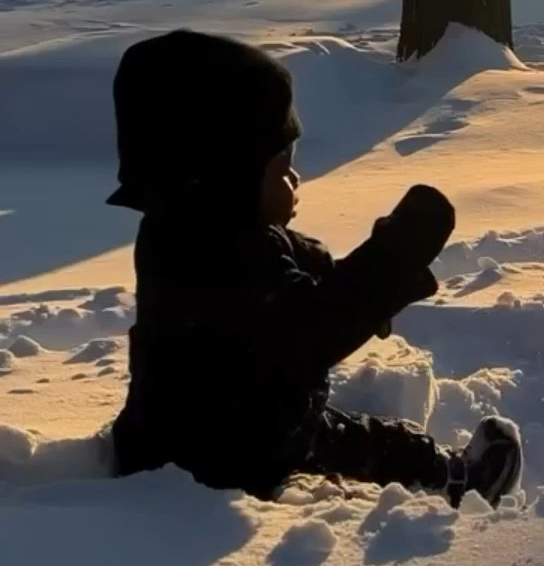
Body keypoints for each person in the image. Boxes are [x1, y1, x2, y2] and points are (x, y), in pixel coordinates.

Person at [107, 29, 522, 506]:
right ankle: (453, 482)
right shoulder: (220, 255)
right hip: (226, 455)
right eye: (280, 166)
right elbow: (308, 333)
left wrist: (344, 275)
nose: (295, 178)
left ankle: (441, 472)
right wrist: (391, 261)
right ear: (228, 174)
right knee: (347, 441)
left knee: (348, 436)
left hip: (214, 425)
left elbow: (293, 277)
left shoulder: (193, 230)